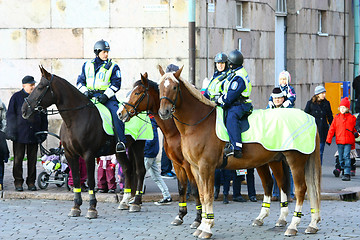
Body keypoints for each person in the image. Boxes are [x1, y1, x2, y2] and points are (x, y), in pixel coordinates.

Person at [76, 39, 126, 153]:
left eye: (107, 52)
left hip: (106, 98)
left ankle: (120, 142)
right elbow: (80, 82)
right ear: (97, 52)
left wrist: (106, 95)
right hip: (89, 96)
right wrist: (85, 91)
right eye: (104, 52)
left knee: (116, 113)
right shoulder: (87, 65)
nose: (106, 54)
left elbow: (116, 84)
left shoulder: (113, 66)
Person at [6, 75, 48, 191]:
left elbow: (44, 115)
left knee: (32, 160)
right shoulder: (16, 97)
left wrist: (43, 132)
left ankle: (31, 182)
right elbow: (10, 115)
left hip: (34, 134)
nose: (33, 87)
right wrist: (11, 131)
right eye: (31, 85)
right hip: (19, 134)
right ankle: (18, 182)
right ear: (24, 86)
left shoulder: (38, 97)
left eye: (34, 85)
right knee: (18, 160)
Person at [216, 49, 253, 158]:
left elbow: (231, 96)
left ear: (231, 64)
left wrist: (220, 100)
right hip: (235, 102)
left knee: (231, 117)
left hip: (240, 105)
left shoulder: (239, 77)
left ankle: (236, 147)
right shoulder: (235, 72)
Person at [267, 87, 295, 201]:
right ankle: (275, 194)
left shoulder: (289, 109)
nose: (277, 100)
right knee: (275, 169)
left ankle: (290, 194)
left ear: (283, 98)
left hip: (286, 141)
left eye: (279, 98)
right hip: (274, 142)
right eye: (275, 98)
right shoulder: (269, 109)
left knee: (288, 170)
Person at [326, 97, 358, 181]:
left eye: (344, 107)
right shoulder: (337, 118)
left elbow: (355, 129)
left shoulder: (352, 118)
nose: (342, 109)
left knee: (346, 156)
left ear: (347, 108)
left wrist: (356, 134)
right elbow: (332, 129)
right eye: (341, 107)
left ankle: (347, 172)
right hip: (339, 141)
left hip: (348, 141)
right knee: (340, 157)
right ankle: (343, 169)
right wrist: (328, 139)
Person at [145, 114, 172, 205]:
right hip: (151, 153)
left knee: (139, 176)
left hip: (148, 153)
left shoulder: (149, 121)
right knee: (156, 176)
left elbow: (151, 139)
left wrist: (143, 150)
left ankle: (136, 197)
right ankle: (166, 196)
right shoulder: (152, 120)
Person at [304, 85, 333, 164]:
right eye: (322, 93)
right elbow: (305, 116)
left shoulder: (326, 103)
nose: (324, 95)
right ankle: (311, 167)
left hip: (322, 131)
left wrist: (334, 128)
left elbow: (330, 117)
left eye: (324, 93)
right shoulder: (310, 103)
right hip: (312, 131)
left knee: (320, 151)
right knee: (311, 151)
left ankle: (318, 169)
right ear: (317, 94)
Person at [160, 64, 179, 179]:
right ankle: (165, 169)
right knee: (168, 143)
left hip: (170, 117)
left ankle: (166, 169)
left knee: (167, 143)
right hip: (169, 118)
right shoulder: (167, 85)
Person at [0, 98, 9, 191]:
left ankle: (0, 182)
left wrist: (2, 132)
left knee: (0, 161)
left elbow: (4, 120)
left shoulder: (1, 105)